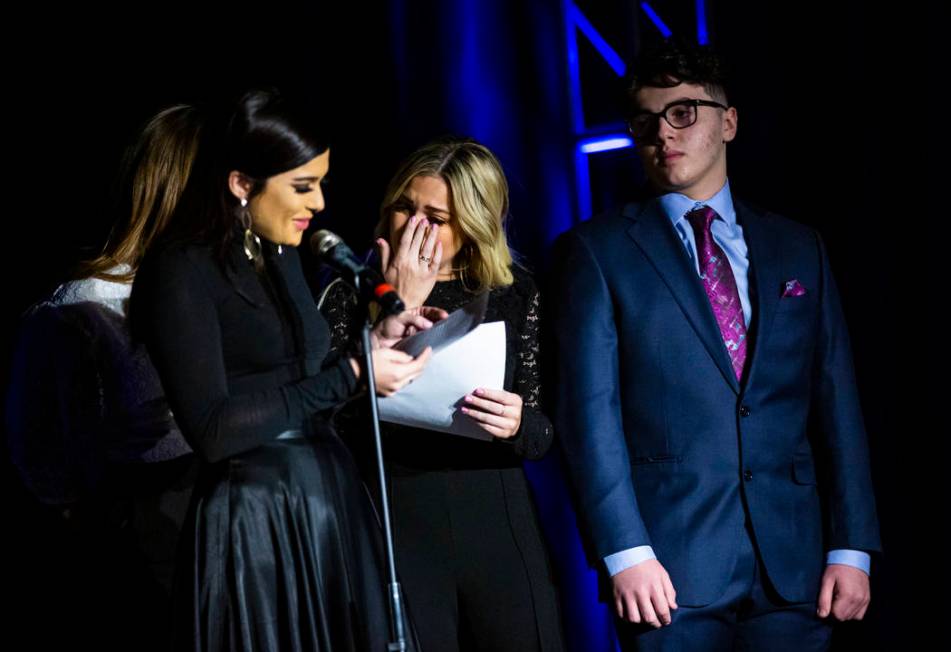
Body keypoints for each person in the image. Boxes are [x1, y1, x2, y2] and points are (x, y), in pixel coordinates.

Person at [552, 39, 881, 651]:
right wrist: (624, 552)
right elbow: (589, 417)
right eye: (645, 122)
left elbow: (837, 400)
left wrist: (852, 543)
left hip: (798, 563)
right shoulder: (596, 253)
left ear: (727, 122)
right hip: (668, 570)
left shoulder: (798, 245)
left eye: (683, 113)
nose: (662, 134)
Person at [130, 89, 437, 651]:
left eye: (320, 183)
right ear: (242, 184)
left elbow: (308, 382)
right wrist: (351, 374)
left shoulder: (280, 252)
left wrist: (377, 344)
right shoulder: (181, 269)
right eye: (302, 187)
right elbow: (213, 430)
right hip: (255, 515)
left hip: (325, 494)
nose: (319, 203)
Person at [322, 136, 565, 652]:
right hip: (395, 511)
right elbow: (324, 417)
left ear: (473, 224)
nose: (414, 226)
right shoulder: (347, 291)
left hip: (494, 511)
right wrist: (393, 304)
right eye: (404, 208)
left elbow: (544, 431)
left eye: (435, 217)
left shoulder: (512, 291)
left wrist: (519, 424)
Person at [5, 105, 201, 649]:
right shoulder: (84, 307)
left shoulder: (222, 296)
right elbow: (39, 461)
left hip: (219, 536)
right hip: (138, 557)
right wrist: (97, 453)